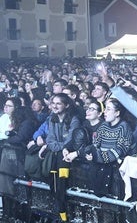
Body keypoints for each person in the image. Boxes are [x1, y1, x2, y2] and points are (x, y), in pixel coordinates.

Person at [39, 93, 81, 222]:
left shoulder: (74, 119)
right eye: (53, 103)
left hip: (68, 158)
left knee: (62, 186)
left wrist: (58, 147)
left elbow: (70, 141)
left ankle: (64, 215)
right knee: (54, 185)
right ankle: (58, 213)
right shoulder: (52, 118)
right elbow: (50, 139)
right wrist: (59, 147)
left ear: (66, 105)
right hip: (58, 156)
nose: (55, 106)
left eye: (58, 103)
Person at [84, 98, 132, 198]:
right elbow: (96, 144)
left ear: (117, 113)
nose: (104, 112)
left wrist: (97, 157)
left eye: (108, 109)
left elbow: (120, 150)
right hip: (99, 164)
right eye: (105, 109)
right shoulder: (104, 125)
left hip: (114, 167)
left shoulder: (124, 127)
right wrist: (89, 153)